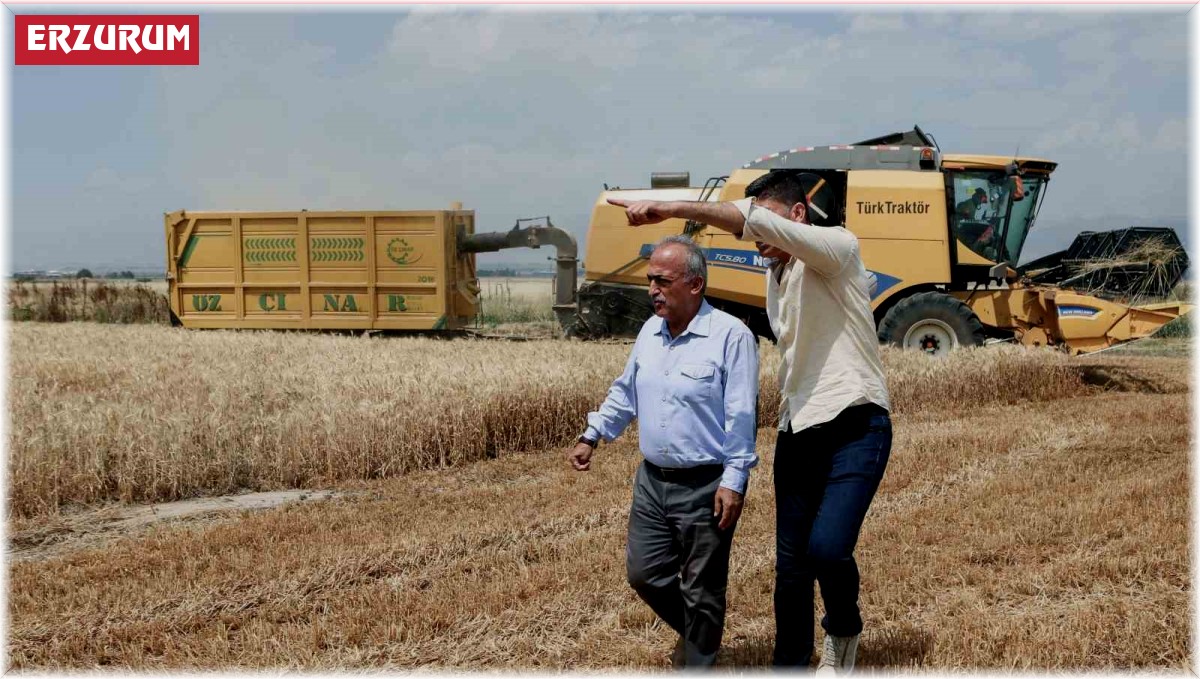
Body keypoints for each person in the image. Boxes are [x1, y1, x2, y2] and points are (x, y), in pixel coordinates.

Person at [608, 171, 892, 674]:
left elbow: (752, 220)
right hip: (796, 428)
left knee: (827, 550)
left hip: (855, 421)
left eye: (767, 223)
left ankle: (843, 630)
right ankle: (790, 666)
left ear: (798, 215)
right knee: (790, 570)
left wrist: (673, 209)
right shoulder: (775, 275)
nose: (758, 238)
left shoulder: (836, 249)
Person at [567, 235, 759, 668]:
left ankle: (699, 661)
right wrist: (592, 434)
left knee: (703, 586)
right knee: (645, 574)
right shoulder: (650, 331)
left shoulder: (731, 336)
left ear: (694, 284)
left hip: (705, 482)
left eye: (662, 280)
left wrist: (734, 480)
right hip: (652, 481)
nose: (652, 288)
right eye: (649, 279)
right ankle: (700, 637)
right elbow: (626, 392)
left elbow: (741, 416)